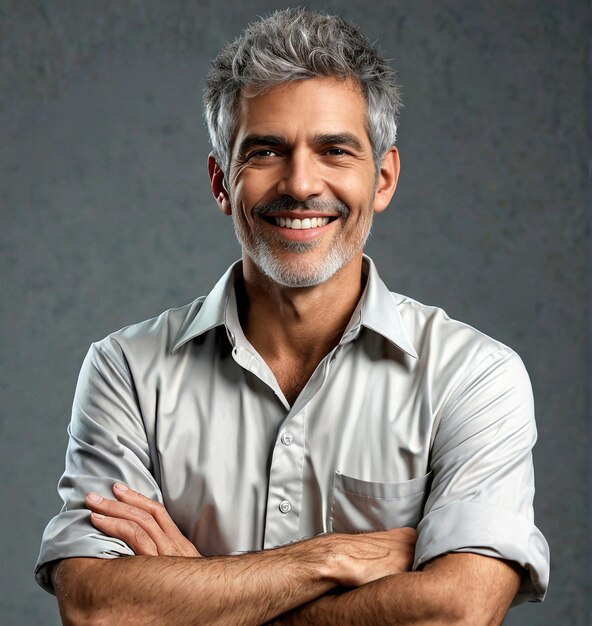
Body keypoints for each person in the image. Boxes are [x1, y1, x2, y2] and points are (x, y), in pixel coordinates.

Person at [36, 8, 549, 625]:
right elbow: (98, 609)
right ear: (221, 181)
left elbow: (456, 613)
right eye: (266, 151)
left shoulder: (474, 378)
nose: (302, 184)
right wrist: (330, 559)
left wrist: (199, 593)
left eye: (335, 150)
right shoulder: (126, 371)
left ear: (382, 179)